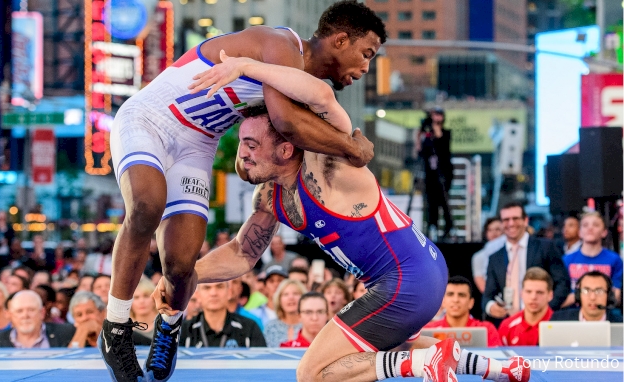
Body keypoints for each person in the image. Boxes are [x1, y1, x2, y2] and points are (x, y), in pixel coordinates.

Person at [154, 54, 529, 382]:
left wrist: (248, 67)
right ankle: (497, 370)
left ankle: (418, 364)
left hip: (406, 281)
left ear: (287, 148)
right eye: (242, 144)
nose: (242, 156)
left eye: (251, 146)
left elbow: (320, 97)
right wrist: (185, 275)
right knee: (389, 341)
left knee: (314, 373)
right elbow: (241, 253)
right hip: (414, 277)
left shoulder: (328, 165)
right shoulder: (270, 196)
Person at [101, 1, 383, 381]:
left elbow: (259, 149)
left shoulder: (303, 93)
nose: (366, 67)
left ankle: (169, 325)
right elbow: (285, 120)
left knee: (182, 268)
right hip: (151, 119)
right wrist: (352, 146)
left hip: (198, 144)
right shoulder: (283, 44)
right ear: (340, 39)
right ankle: (115, 329)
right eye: (366, 54)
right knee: (147, 206)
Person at [483, 202, 569, 321]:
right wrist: (490, 307)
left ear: (525, 220)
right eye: (506, 219)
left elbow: (563, 283)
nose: (511, 223)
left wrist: (546, 309)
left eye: (515, 218)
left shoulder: (546, 247)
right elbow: (487, 295)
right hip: (509, 323)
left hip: (543, 320)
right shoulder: (495, 257)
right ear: (502, 224)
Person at [561, 211, 622, 308]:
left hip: (604, 313)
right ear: (580, 232)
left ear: (604, 232)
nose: (590, 228)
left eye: (596, 225)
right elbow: (559, 299)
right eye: (585, 225)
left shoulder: (615, 259)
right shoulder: (566, 260)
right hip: (572, 315)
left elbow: (616, 296)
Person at [179, 281, 265, 348]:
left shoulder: (249, 328)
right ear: (198, 295)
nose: (213, 293)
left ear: (229, 292)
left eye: (219, 287)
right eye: (207, 288)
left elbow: (262, 365)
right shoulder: (185, 330)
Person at [425, 276, 502, 347]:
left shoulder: (487, 329)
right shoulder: (428, 330)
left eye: (461, 295)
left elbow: (497, 359)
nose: (455, 300)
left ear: (471, 303)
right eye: (450, 294)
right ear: (443, 301)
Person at [0, 290, 75, 348]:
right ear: (10, 314)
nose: (25, 315)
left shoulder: (67, 333)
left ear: (42, 313)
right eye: (19, 311)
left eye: (31, 310)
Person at [416, 108, 453, 239]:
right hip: (430, 173)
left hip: (443, 172)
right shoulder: (427, 135)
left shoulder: (446, 132)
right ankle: (433, 226)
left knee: (443, 200)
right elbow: (419, 149)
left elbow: (442, 144)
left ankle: (449, 227)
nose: (436, 118)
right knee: (431, 202)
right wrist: (420, 132)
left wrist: (435, 127)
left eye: (438, 115)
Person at [69, 292, 150, 348]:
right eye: (79, 315)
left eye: (89, 312)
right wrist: (82, 332)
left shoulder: (125, 334)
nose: (85, 318)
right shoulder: (68, 335)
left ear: (102, 313)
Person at [498, 267, 554, 346]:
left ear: (550, 295)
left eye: (540, 292)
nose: (533, 297)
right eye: (528, 291)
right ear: (522, 293)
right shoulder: (507, 326)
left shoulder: (559, 326)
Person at [550, 271, 623, 322]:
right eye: (586, 291)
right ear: (578, 295)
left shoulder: (621, 324)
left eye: (599, 291)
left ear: (609, 295)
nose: (592, 297)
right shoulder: (559, 320)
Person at [263, 279, 306, 347]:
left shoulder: (310, 325)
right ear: (279, 299)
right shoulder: (271, 327)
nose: (291, 298)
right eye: (285, 294)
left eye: (295, 293)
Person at [471, 217, 505, 292]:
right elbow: (480, 281)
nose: (494, 233)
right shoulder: (478, 256)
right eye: (490, 230)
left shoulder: (511, 251)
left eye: (497, 229)